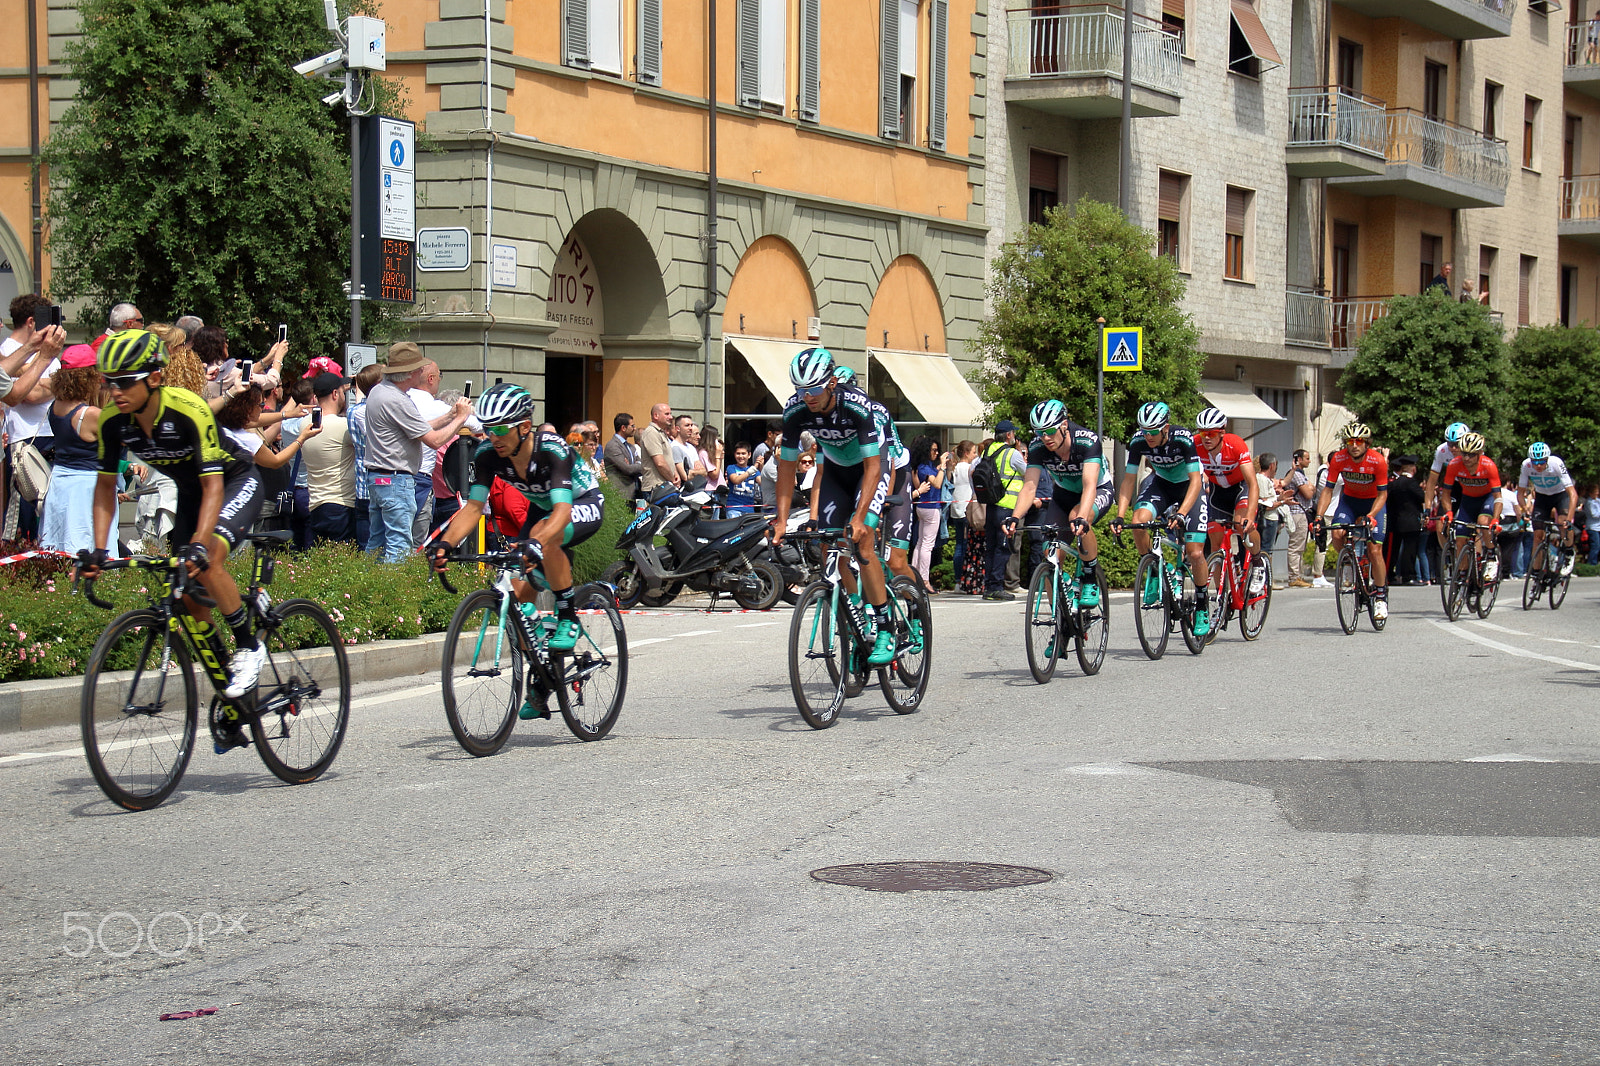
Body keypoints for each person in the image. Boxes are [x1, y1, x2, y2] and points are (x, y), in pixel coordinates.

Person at [80, 329, 267, 744]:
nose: (116, 391)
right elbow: (105, 489)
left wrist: (201, 544)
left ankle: (249, 645)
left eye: (126, 381)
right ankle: (232, 701)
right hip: (190, 492)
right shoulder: (113, 422)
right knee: (184, 598)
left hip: (233, 481)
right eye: (110, 382)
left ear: (155, 379)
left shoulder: (187, 409)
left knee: (208, 560)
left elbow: (215, 487)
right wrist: (97, 549)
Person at [427, 384, 605, 719]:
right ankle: (543, 681)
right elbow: (473, 507)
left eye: (499, 429)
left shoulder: (552, 450)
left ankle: (566, 615)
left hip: (580, 503)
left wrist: (536, 543)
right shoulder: (487, 455)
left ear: (524, 427)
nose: (492, 436)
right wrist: (446, 543)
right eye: (486, 428)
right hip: (543, 507)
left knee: (543, 537)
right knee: (519, 599)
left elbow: (562, 514)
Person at [771, 346, 898, 666]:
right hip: (837, 473)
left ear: (830, 383)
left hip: (869, 467)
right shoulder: (795, 410)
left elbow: (873, 467)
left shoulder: (857, 406)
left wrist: (859, 517)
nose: (807, 397)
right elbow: (786, 467)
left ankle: (885, 627)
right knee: (832, 546)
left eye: (813, 389)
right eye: (800, 390)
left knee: (863, 539)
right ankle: (856, 619)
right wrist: (781, 520)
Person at [363, 342, 472, 563]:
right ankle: (393, 595)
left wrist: (450, 415)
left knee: (376, 543)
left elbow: (417, 426)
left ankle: (366, 591)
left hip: (378, 478)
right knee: (399, 545)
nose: (422, 372)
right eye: (419, 368)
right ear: (411, 373)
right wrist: (461, 418)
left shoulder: (379, 392)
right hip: (396, 480)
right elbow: (434, 440)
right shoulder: (397, 400)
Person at [1112, 402, 1211, 634]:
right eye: (1145, 431)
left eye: (1154, 431)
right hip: (1162, 485)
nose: (1149, 436)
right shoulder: (1138, 441)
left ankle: (1203, 604)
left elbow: (1196, 481)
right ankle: (1155, 570)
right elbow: (1128, 480)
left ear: (1165, 427)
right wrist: (1119, 515)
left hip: (1189, 488)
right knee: (1138, 522)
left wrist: (1182, 513)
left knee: (1195, 552)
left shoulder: (1183, 438)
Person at [1004, 400, 1112, 608]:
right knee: (1049, 553)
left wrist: (1082, 515)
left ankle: (1089, 575)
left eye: (1050, 431)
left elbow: (1089, 485)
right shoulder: (1038, 446)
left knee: (1077, 517)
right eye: (1039, 432)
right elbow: (1029, 487)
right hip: (1063, 494)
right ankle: (1060, 619)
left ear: (1064, 425)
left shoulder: (1087, 441)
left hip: (1097, 490)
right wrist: (1015, 517)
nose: (1045, 437)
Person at [1314, 422, 1390, 620]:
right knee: (1337, 533)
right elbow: (1328, 490)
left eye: (1359, 441)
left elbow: (1383, 495)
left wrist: (1371, 515)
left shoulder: (1377, 461)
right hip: (1349, 502)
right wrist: (1319, 517)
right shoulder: (1339, 458)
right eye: (1350, 441)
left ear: (1366, 443)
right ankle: (1349, 564)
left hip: (1374, 504)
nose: (1354, 445)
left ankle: (1381, 596)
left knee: (1375, 550)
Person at [38, 344, 106, 555]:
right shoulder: (91, 414)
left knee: (59, 547)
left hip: (59, 482)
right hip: (86, 487)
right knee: (86, 547)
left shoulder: (55, 407)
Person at [2, 294, 56, 540]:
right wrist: (58, 382)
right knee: (21, 519)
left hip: (51, 436)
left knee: (47, 513)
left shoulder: (46, 349)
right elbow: (25, 395)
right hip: (24, 439)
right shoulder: (7, 351)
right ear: (33, 321)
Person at [1193, 407, 1260, 558]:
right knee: (1215, 543)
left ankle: (1257, 562)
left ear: (1222, 432)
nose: (1206, 438)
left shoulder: (1236, 444)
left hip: (1240, 488)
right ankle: (1220, 580)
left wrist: (1250, 515)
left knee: (1241, 524)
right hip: (1218, 491)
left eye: (1211, 433)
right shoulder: (1195, 444)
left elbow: (1252, 483)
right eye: (1202, 433)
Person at [300, 371, 357, 545]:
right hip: (341, 503)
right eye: (342, 393)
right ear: (335, 394)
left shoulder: (304, 424)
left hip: (316, 503)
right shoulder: (343, 426)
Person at [1438, 431, 1501, 579]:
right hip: (1468, 500)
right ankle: (1463, 574)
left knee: (1483, 522)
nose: (1466, 458)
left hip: (1487, 499)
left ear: (1479, 453)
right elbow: (1446, 493)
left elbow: (1498, 497)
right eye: (1464, 453)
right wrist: (1448, 512)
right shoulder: (1454, 464)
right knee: (1460, 539)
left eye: (1471, 455)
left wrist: (1496, 519)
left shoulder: (1489, 466)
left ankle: (1491, 556)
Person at [981, 420, 1027, 601]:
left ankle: (988, 586)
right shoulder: (1012, 454)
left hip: (991, 505)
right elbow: (1027, 472)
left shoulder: (988, 450)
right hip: (1008, 505)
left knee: (991, 547)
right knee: (1003, 547)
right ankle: (996, 586)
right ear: (1009, 435)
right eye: (1013, 433)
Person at [1519, 442, 1579, 575]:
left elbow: (1573, 494)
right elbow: (1520, 493)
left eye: (1542, 462)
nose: (1538, 465)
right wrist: (1525, 510)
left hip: (1560, 495)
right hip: (1542, 498)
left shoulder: (1556, 463)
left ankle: (1569, 551)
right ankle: (1536, 573)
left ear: (1547, 459)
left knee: (1563, 522)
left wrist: (1569, 519)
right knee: (1538, 536)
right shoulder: (1526, 466)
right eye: (1535, 462)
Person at [344, 362, 383, 550]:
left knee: (366, 544)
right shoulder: (368, 412)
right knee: (377, 545)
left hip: (362, 486)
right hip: (378, 485)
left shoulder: (353, 411)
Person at [909, 435, 946, 588]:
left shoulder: (921, 466)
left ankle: (914, 575)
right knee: (927, 545)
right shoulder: (925, 467)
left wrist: (938, 468)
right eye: (934, 450)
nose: (936, 453)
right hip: (931, 508)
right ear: (927, 451)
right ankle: (924, 579)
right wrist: (943, 467)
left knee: (920, 543)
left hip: (922, 506)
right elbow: (937, 483)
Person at [1386, 457, 1426, 586]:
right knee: (1410, 550)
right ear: (1413, 469)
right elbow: (1422, 497)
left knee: (1393, 550)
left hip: (1396, 520)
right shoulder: (1411, 483)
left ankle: (1389, 575)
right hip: (1411, 521)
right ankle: (1408, 576)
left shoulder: (1393, 483)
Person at [1282, 449, 1315, 588]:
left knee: (1300, 546)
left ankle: (1298, 575)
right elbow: (1308, 493)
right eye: (1307, 458)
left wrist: (1311, 487)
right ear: (1299, 459)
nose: (1309, 461)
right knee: (1296, 546)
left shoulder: (1300, 474)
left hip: (1301, 513)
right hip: (1297, 513)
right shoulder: (1296, 474)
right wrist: (1311, 487)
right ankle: (1294, 576)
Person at [603, 413, 645, 502]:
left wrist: (635, 465)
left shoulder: (631, 447)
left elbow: (642, 464)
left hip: (633, 494)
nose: (634, 429)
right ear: (623, 428)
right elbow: (627, 469)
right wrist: (636, 465)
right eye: (632, 426)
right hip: (620, 495)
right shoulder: (613, 446)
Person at [638, 403, 676, 493]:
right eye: (667, 414)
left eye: (670, 414)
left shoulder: (661, 432)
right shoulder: (651, 432)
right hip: (655, 488)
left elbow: (668, 457)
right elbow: (660, 463)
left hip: (665, 486)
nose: (670, 417)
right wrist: (672, 479)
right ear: (656, 415)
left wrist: (675, 473)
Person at [724, 442, 761, 515]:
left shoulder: (754, 470)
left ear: (749, 455)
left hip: (749, 508)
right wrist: (751, 470)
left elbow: (762, 483)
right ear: (734, 454)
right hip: (734, 507)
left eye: (743, 453)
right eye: (738, 453)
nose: (740, 456)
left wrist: (761, 467)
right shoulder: (731, 468)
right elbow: (736, 480)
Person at [1585, 485, 1600, 565]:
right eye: (1595, 492)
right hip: (1593, 527)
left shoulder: (1598, 501)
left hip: (1598, 526)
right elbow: (1594, 514)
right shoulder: (1589, 502)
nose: (1597, 494)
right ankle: (1591, 563)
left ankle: (1596, 561)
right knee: (1595, 546)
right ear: (1590, 493)